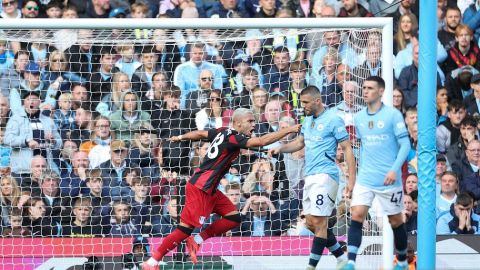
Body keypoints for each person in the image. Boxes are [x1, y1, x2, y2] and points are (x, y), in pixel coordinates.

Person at [143, 108, 300, 269]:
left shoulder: (223, 131)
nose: (254, 124)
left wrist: (181, 137)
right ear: (238, 123)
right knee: (185, 229)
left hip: (210, 189)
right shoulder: (233, 137)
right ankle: (152, 261)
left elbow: (201, 134)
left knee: (233, 218)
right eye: (250, 121)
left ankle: (197, 240)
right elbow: (260, 142)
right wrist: (289, 129)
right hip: (200, 188)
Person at [269, 85, 355, 269]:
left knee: (319, 222)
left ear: (317, 101)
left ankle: (311, 266)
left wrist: (352, 181)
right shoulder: (307, 121)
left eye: (306, 102)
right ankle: (341, 258)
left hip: (325, 176)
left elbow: (347, 148)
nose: (303, 106)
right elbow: (300, 142)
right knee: (309, 223)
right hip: (310, 176)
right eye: (301, 102)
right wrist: (281, 148)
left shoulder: (333, 119)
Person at [341, 76, 411, 270]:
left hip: (388, 180)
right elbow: (363, 147)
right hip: (366, 178)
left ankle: (403, 261)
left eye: (370, 88)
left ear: (381, 91)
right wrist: (355, 178)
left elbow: (405, 144)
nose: (365, 91)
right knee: (356, 215)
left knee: (395, 221)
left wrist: (394, 170)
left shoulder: (392, 115)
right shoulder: (359, 117)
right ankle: (351, 262)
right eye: (363, 88)